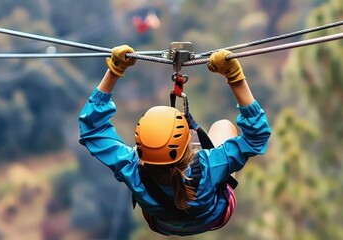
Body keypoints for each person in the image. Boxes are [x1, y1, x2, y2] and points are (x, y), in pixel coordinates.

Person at [78, 45, 271, 236]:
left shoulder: (130, 168)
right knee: (222, 126)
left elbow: (92, 130)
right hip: (215, 215)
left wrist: (115, 70)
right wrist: (234, 76)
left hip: (163, 224)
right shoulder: (210, 166)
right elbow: (257, 136)